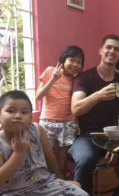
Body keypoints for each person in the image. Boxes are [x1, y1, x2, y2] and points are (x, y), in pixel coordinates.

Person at [69, 34, 119, 195]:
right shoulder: (85, 77)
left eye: (116, 49)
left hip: (114, 135)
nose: (112, 51)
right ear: (100, 51)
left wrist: (117, 142)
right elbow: (76, 109)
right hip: (87, 136)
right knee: (85, 160)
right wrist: (98, 96)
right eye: (108, 47)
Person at [0, 90, 89, 196]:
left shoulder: (36, 130)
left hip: (46, 184)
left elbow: (50, 157)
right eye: (10, 111)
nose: (18, 116)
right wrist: (18, 153)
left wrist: (58, 181)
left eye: (24, 112)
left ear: (30, 118)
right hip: (14, 192)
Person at [36, 45, 84, 179]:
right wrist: (52, 80)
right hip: (47, 122)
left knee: (62, 164)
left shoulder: (76, 80)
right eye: (72, 60)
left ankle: (61, 188)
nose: (75, 64)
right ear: (63, 59)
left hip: (68, 124)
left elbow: (74, 103)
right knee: (46, 162)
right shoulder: (50, 71)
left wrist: (76, 120)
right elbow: (38, 96)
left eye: (79, 62)